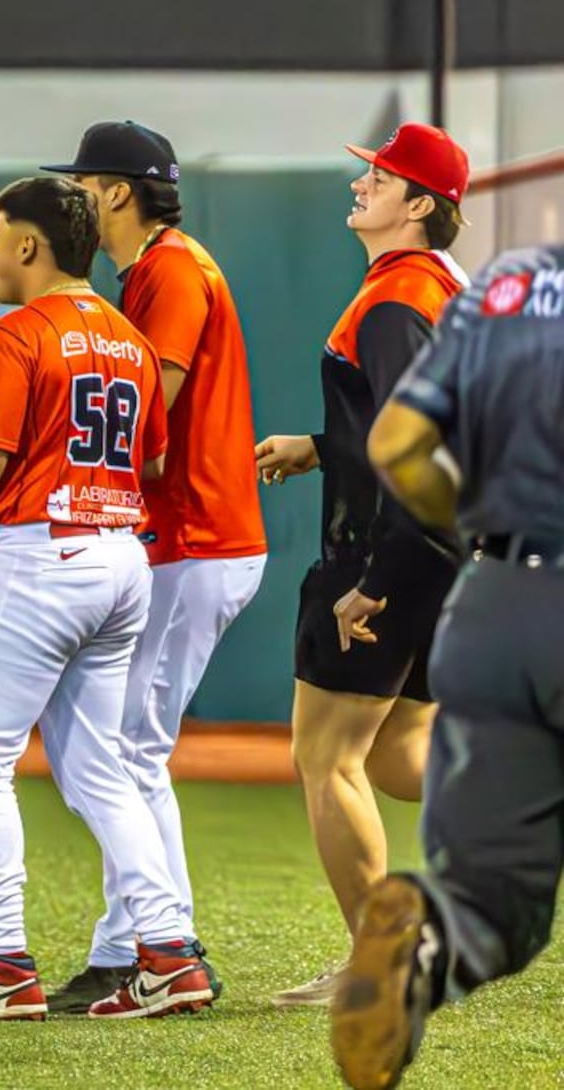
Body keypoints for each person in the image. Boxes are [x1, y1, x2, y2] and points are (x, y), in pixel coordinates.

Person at [0, 175, 213, 1022]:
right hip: (121, 561)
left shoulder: (15, 334)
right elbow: (147, 463)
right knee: (98, 769)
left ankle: (4, 966)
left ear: (31, 245)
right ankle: (170, 951)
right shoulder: (128, 336)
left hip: (45, 559)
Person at [45, 122, 267, 1010]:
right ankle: (136, 946)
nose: (77, 201)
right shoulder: (160, 266)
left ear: (117, 193)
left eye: (86, 186)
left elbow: (149, 410)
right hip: (190, 538)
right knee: (125, 750)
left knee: (125, 750)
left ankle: (157, 951)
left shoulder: (170, 271)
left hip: (196, 537)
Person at [332, 244, 564, 1090]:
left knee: (497, 905)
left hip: (496, 602)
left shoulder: (506, 287)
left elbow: (396, 443)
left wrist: (478, 535)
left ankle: (428, 941)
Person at [254, 122, 471, 1007]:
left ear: (419, 203)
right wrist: (321, 444)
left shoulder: (393, 302)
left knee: (326, 755)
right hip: (446, 547)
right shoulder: (437, 289)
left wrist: (374, 583)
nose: (361, 184)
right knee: (393, 755)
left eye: (379, 175)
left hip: (395, 550)